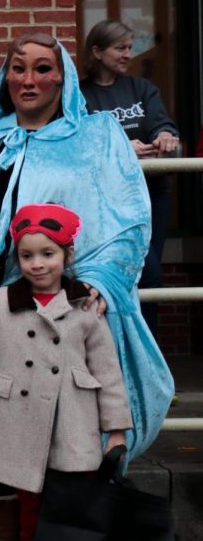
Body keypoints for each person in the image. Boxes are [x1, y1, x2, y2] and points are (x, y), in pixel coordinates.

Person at [0, 31, 174, 541]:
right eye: (18, 68)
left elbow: (129, 219)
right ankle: (1, 535)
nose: (29, 79)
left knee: (63, 432)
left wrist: (96, 280)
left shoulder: (96, 136)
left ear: (64, 76)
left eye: (43, 68)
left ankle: (54, 540)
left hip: (62, 311)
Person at [0, 203, 132, 541]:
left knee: (73, 515)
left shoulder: (84, 306)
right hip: (19, 427)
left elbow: (108, 373)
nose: (38, 263)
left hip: (72, 426)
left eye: (48, 253)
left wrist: (116, 431)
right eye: (27, 256)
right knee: (29, 513)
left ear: (66, 254)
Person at [80, 19, 181, 338]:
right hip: (107, 198)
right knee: (122, 272)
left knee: (150, 274)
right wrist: (121, 147)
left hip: (151, 194)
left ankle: (148, 354)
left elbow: (161, 125)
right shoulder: (79, 95)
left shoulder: (142, 89)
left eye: (130, 47)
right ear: (97, 51)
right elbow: (77, 142)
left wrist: (165, 135)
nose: (128, 54)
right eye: (120, 48)